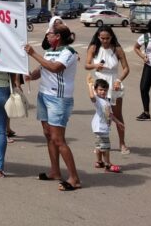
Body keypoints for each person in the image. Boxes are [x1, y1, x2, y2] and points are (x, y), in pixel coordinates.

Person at [25, 25, 81, 192]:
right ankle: (55, 171)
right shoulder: (49, 50)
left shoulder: (69, 52)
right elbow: (41, 70)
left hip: (58, 99)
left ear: (57, 36)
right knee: (48, 135)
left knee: (58, 139)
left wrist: (33, 54)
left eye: (49, 34)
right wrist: (28, 76)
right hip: (43, 95)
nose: (47, 37)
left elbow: (55, 68)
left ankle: (74, 178)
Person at [85, 26, 131, 154]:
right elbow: (86, 65)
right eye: (102, 38)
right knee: (103, 114)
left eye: (107, 38)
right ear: (98, 37)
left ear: (111, 37)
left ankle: (122, 143)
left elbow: (126, 68)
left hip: (114, 81)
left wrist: (119, 80)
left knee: (117, 114)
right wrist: (95, 65)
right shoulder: (94, 48)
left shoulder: (117, 49)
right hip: (100, 83)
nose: (105, 41)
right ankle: (100, 144)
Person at [87, 77, 123, 173]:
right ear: (96, 90)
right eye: (100, 90)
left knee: (99, 145)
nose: (103, 92)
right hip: (100, 127)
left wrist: (118, 122)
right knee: (106, 147)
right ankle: (108, 164)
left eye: (105, 90)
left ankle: (99, 162)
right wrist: (90, 85)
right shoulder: (97, 100)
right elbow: (91, 97)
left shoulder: (106, 100)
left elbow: (110, 114)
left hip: (103, 127)